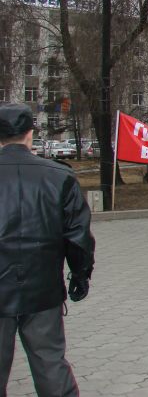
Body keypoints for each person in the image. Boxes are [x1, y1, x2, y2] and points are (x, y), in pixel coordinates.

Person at [0, 103, 95, 396]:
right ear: (30, 133)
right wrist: (80, 274)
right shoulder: (59, 176)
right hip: (41, 288)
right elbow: (78, 236)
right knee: (50, 364)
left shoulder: (60, 175)